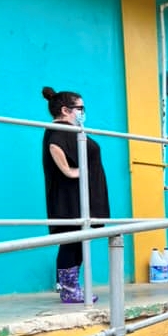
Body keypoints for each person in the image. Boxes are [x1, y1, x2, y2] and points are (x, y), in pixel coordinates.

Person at [42, 86, 110, 303]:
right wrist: (69, 171)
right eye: (80, 108)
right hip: (70, 198)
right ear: (65, 110)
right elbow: (55, 147)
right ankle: (69, 290)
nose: (83, 112)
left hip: (79, 197)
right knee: (71, 241)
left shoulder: (69, 130)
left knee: (78, 240)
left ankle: (72, 287)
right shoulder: (59, 130)